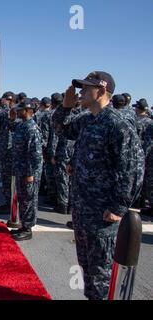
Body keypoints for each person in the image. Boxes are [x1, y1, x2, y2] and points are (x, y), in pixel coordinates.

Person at [53, 71, 144, 300]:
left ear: (102, 91)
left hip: (102, 214)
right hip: (83, 210)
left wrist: (118, 207)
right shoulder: (86, 120)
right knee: (89, 271)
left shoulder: (117, 124)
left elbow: (132, 168)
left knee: (102, 274)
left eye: (86, 88)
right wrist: (65, 106)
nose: (81, 92)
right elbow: (61, 129)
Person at [10, 99, 43, 241]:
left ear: (27, 111)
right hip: (21, 169)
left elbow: (35, 154)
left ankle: (28, 228)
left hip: (28, 172)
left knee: (29, 199)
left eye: (20, 110)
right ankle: (24, 225)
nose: (17, 111)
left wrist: (30, 173)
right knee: (23, 199)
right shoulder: (22, 125)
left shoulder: (31, 128)